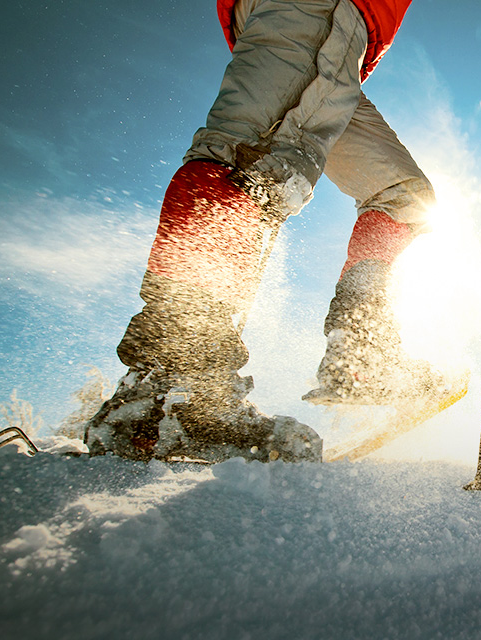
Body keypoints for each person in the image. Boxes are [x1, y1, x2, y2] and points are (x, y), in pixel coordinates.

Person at [85, 0, 441, 463]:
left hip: (349, 41)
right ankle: (175, 387)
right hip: (314, 10)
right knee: (247, 161)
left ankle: (359, 354)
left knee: (404, 198)